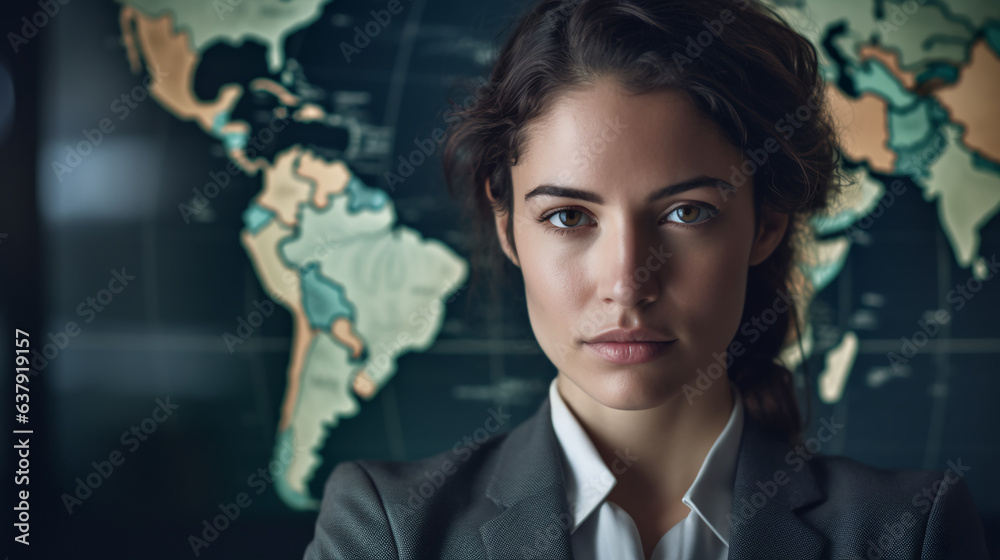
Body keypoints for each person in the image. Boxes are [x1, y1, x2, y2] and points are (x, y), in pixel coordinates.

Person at [302, 0, 990, 558]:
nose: (628, 282)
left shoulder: (907, 533)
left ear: (768, 222)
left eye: (687, 212)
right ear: (509, 228)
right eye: (569, 216)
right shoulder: (388, 529)